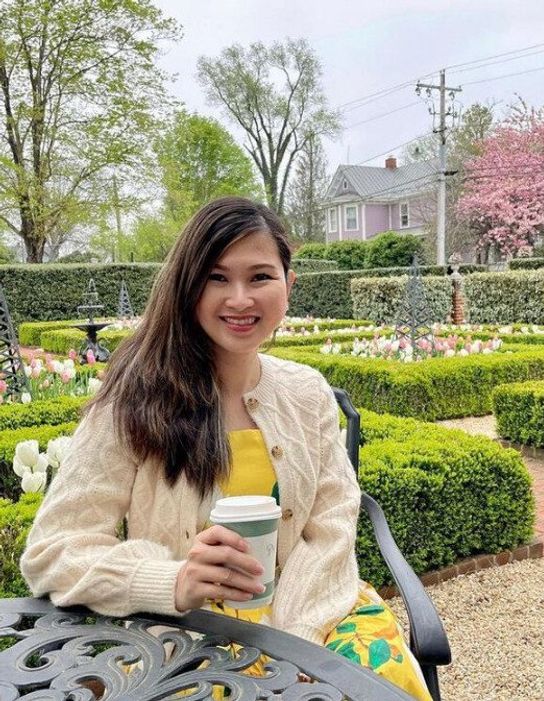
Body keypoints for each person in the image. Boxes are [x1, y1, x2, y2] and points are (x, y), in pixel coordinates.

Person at [20, 197, 431, 700]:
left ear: (288, 285)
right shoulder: (133, 403)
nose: (239, 299)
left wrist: (297, 637)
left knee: (378, 683)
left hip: (317, 611)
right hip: (191, 638)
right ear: (187, 287)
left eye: (260, 277)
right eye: (217, 277)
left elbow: (331, 529)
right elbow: (54, 550)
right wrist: (173, 581)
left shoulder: (308, 393)